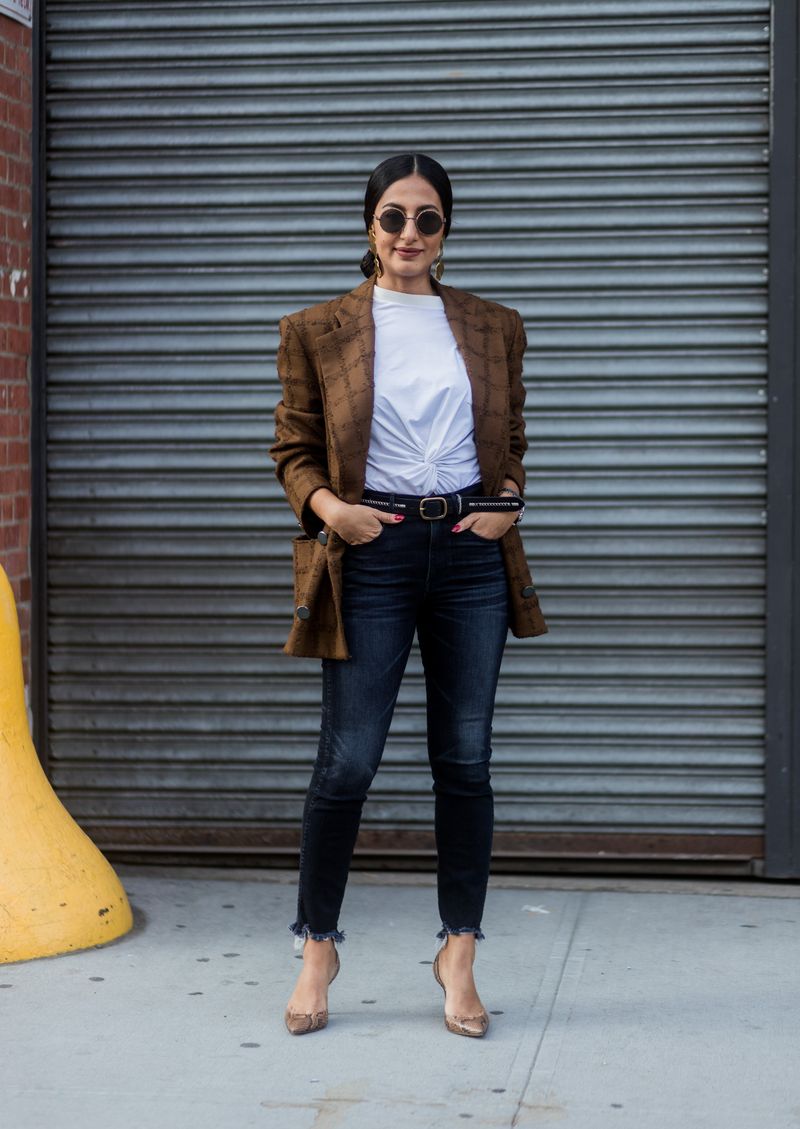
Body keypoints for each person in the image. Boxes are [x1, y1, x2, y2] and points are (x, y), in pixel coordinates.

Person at [270, 152, 548, 1038]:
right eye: (394, 217)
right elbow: (294, 446)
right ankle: (319, 948)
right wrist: (330, 511)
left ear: (446, 231)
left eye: (427, 219)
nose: (409, 236)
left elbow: (512, 436)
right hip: (373, 548)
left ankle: (458, 955)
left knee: (464, 760)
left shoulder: (493, 324)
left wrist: (508, 505)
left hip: (471, 554)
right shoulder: (318, 328)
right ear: (368, 225)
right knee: (348, 760)